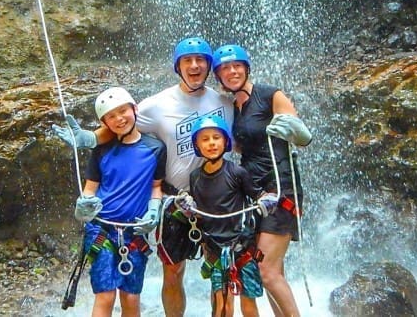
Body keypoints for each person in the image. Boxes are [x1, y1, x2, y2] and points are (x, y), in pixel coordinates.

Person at [53, 37, 234, 317]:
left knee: (221, 268)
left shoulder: (225, 102)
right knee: (173, 271)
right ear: (178, 66)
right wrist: (89, 138)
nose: (195, 66)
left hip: (216, 194)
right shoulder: (156, 105)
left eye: (201, 60)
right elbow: (121, 122)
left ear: (210, 66)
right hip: (174, 200)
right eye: (188, 60)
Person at [210, 44, 313, 317]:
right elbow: (240, 150)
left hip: (280, 188)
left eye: (237, 66)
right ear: (218, 76)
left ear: (246, 68)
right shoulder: (235, 107)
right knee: (271, 269)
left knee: (267, 270)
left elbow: (300, 135)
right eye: (225, 69)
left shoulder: (270, 94)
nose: (232, 72)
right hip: (255, 193)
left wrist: (298, 132)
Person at [72, 87, 166, 317]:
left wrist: (154, 211)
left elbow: (156, 186)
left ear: (134, 110)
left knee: (131, 297)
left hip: (135, 230)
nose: (119, 119)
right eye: (111, 116)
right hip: (101, 229)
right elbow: (90, 189)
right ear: (104, 123)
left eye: (123, 111)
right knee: (105, 294)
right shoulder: (102, 150)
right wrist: (83, 206)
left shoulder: (155, 148)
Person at [185, 114, 277, 317]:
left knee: (248, 304)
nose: (211, 143)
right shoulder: (195, 178)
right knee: (222, 305)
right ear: (197, 146)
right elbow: (197, 210)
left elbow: (257, 195)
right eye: (205, 139)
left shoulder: (237, 172)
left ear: (226, 141)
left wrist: (267, 200)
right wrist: (187, 206)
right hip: (216, 250)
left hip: (242, 247)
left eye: (216, 138)